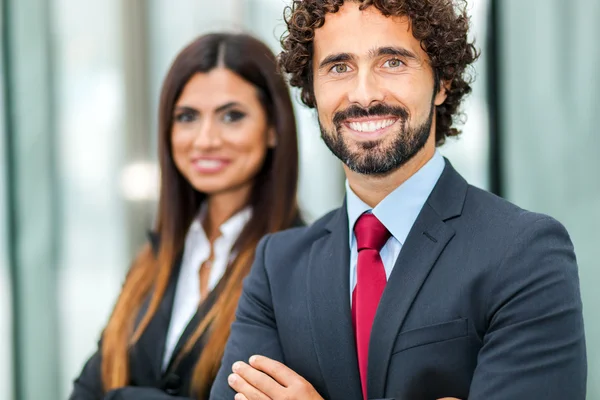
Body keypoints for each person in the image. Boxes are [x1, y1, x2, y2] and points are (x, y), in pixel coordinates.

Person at [210, 1, 587, 399]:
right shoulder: (278, 265)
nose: (364, 94)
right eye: (339, 67)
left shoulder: (524, 251)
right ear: (311, 90)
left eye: (392, 62)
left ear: (441, 82)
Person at [68, 32, 302, 400]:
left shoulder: (299, 264)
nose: (205, 139)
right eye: (187, 117)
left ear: (273, 129)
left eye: (231, 116)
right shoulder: (153, 261)